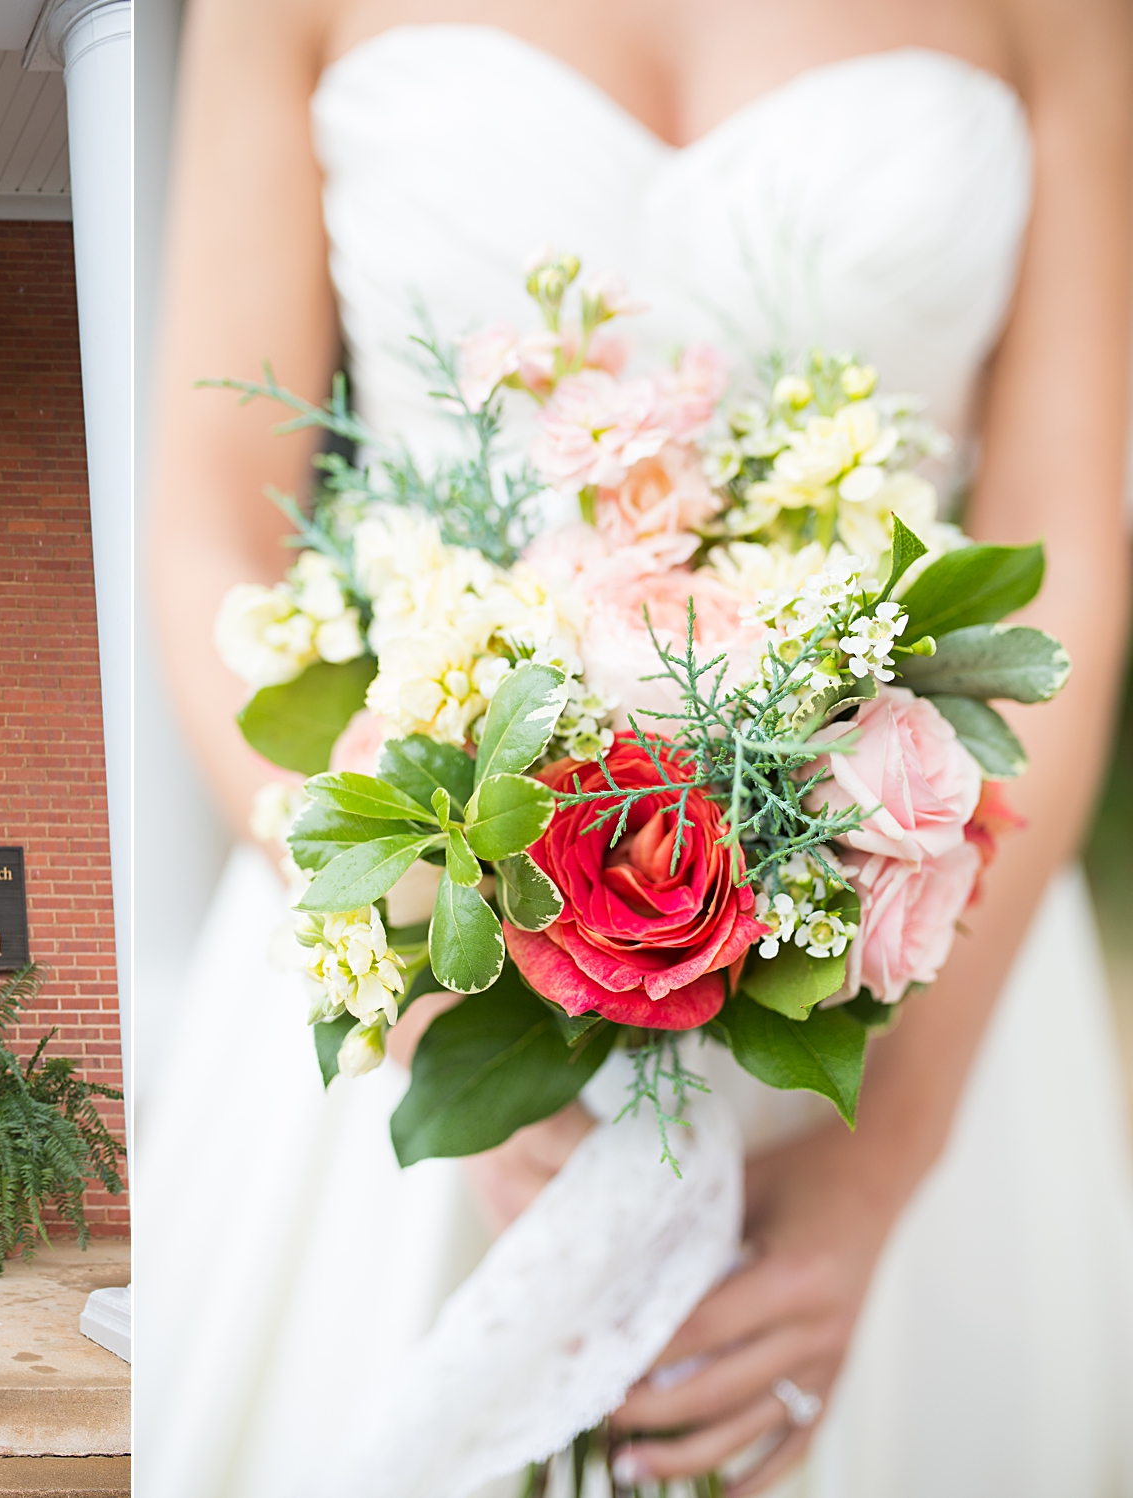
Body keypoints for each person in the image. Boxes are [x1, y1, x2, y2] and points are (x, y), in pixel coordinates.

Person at [143, 1, 1133, 1492]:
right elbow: (212, 519)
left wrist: (882, 1157)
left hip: (913, 943)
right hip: (426, 906)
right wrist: (428, 1017)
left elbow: (1065, 557)